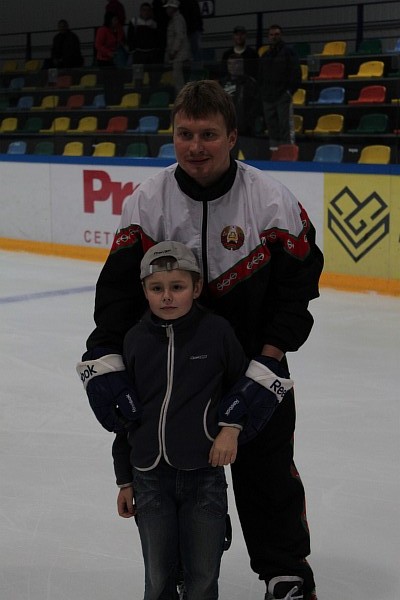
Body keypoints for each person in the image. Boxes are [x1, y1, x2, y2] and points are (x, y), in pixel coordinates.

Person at [81, 80, 323, 600]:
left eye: (208, 134)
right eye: (185, 134)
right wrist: (103, 355)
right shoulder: (147, 200)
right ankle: (188, 555)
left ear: (232, 137)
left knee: (267, 471)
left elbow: (296, 292)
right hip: (174, 368)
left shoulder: (271, 200)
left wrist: (269, 363)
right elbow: (118, 291)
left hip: (252, 359)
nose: (195, 146)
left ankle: (285, 571)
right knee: (176, 469)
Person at [111, 240, 248, 599]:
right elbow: (126, 417)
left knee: (202, 576)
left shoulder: (216, 332)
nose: (167, 296)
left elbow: (242, 387)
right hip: (149, 478)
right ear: (145, 291)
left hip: (204, 474)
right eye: (157, 288)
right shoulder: (135, 339)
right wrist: (124, 479)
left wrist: (231, 428)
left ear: (197, 288)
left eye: (178, 286)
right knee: (158, 577)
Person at [258, 24, 302, 151]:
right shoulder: (265, 55)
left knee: (285, 127)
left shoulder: (289, 52)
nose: (274, 37)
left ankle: (287, 155)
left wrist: (289, 92)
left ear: (281, 35)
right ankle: (274, 153)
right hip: (267, 97)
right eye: (271, 35)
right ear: (268, 37)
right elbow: (260, 76)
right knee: (271, 128)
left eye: (276, 34)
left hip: (283, 96)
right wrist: (263, 93)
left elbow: (296, 73)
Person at [219, 53, 264, 137]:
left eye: (235, 64)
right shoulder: (222, 82)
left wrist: (248, 121)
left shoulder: (249, 83)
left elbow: (257, 105)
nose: (232, 66)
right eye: (230, 64)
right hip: (226, 125)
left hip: (245, 128)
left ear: (241, 65)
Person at [127, 2, 162, 86]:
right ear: (140, 11)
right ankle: (138, 91)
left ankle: (153, 91)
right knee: (138, 77)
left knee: (153, 77)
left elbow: (158, 38)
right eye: (144, 10)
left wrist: (156, 50)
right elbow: (129, 36)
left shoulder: (154, 23)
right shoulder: (134, 21)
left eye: (148, 10)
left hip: (151, 54)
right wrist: (133, 50)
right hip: (138, 54)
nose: (146, 12)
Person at [164, 0, 191, 97]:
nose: (167, 10)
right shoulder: (175, 19)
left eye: (168, 7)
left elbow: (179, 36)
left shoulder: (178, 19)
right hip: (178, 56)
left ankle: (182, 99)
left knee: (179, 81)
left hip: (179, 56)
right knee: (177, 80)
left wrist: (174, 51)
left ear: (173, 8)